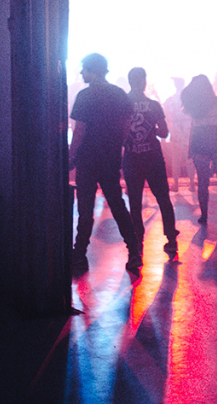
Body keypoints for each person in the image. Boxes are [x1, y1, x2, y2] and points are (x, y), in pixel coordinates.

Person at [69, 53, 142, 276]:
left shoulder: (85, 95)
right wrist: (116, 145)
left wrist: (71, 156)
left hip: (87, 158)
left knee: (85, 209)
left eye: (84, 69)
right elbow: (126, 126)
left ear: (91, 70)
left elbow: (79, 131)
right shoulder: (118, 93)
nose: (82, 73)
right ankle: (134, 251)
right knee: (117, 205)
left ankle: (79, 255)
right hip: (110, 158)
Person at [123, 67, 179, 259]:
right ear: (144, 82)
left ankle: (138, 242)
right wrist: (151, 130)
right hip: (153, 158)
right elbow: (164, 132)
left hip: (132, 158)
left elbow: (118, 133)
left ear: (130, 81)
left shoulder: (122, 104)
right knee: (163, 199)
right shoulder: (154, 105)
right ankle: (171, 239)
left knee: (134, 201)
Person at [182, 74, 217, 225]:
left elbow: (193, 128)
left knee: (202, 182)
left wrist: (190, 148)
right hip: (216, 143)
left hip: (199, 143)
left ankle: (204, 215)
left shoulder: (193, 105)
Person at [162, 77, 192, 192]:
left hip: (175, 130)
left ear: (175, 85)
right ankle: (192, 184)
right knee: (189, 158)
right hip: (188, 130)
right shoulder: (189, 100)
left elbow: (166, 116)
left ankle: (176, 184)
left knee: (176, 158)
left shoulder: (170, 100)